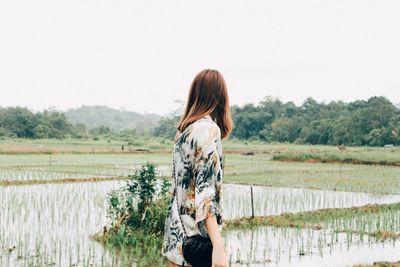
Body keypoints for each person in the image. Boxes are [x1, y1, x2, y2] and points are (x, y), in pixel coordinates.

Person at [161, 69, 233, 267]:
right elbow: (205, 194)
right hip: (197, 241)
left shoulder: (184, 132)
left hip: (177, 241)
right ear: (221, 97)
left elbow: (180, 192)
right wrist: (218, 247)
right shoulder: (209, 131)